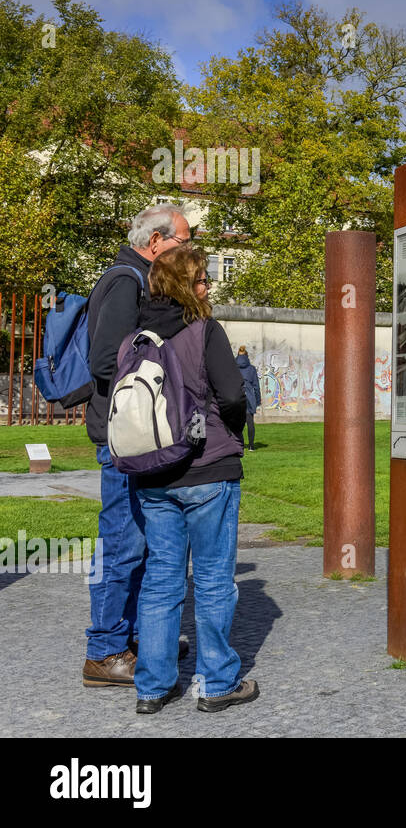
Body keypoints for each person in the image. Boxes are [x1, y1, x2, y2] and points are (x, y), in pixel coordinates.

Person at [132, 246, 258, 714]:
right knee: (213, 579)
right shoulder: (205, 331)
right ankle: (219, 682)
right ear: (187, 286)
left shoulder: (137, 337)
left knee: (161, 581)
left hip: (153, 476)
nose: (209, 286)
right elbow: (231, 395)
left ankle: (152, 686)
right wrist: (231, 427)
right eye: (203, 279)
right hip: (207, 469)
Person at [82, 203, 192, 687]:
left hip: (131, 437)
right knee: (122, 543)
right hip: (123, 437)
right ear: (156, 243)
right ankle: (104, 652)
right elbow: (107, 359)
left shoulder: (134, 277)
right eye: (183, 241)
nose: (189, 249)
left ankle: (136, 638)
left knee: (140, 542)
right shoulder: (126, 281)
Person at [235, 346, 261, 450]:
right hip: (249, 398)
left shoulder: (233, 367)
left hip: (237, 398)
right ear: (247, 356)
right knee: (250, 423)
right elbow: (256, 386)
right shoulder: (251, 369)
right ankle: (251, 446)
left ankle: (239, 446)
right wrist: (258, 401)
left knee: (237, 424)